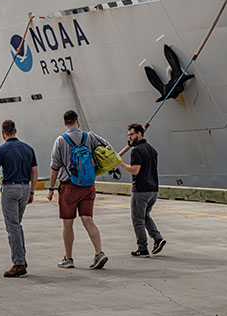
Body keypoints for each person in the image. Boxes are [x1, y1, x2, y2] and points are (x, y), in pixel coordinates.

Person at [47, 110, 109, 270]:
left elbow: (54, 168)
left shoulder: (60, 141)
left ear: (65, 123)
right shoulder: (90, 137)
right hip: (88, 186)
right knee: (88, 220)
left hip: (69, 187)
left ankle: (68, 259)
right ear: (77, 121)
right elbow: (107, 149)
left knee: (68, 224)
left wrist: (51, 189)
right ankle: (99, 252)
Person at [0, 119, 38, 277]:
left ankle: (18, 263)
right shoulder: (28, 148)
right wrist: (32, 192)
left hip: (10, 189)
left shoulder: (1, 150)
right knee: (17, 224)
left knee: (13, 227)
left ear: (3, 133)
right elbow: (34, 172)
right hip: (25, 188)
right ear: (15, 130)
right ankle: (21, 257)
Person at [118, 123, 166, 257]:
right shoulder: (152, 150)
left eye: (131, 135)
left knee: (137, 219)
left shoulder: (136, 151)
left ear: (139, 134)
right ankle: (158, 238)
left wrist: (120, 163)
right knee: (145, 216)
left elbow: (135, 170)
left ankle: (142, 248)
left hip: (141, 190)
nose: (130, 138)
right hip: (153, 189)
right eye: (128, 135)